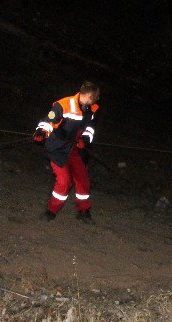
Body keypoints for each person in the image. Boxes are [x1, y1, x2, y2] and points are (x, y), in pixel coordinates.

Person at [33, 81, 100, 224]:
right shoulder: (64, 104)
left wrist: (85, 140)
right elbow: (49, 121)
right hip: (58, 149)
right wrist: (42, 132)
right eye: (96, 96)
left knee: (83, 180)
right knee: (64, 182)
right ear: (89, 95)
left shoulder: (91, 110)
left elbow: (90, 128)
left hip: (76, 150)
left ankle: (83, 211)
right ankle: (51, 211)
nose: (97, 99)